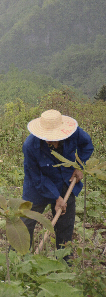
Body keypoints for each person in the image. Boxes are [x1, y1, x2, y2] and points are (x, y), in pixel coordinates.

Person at [21, 109, 93, 260]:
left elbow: (87, 145)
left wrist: (79, 166)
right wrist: (56, 197)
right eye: (49, 139)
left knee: (65, 227)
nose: (53, 142)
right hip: (37, 187)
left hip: (65, 180)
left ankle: (64, 262)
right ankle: (19, 260)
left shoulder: (74, 133)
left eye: (56, 138)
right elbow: (36, 177)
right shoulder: (30, 146)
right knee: (25, 222)